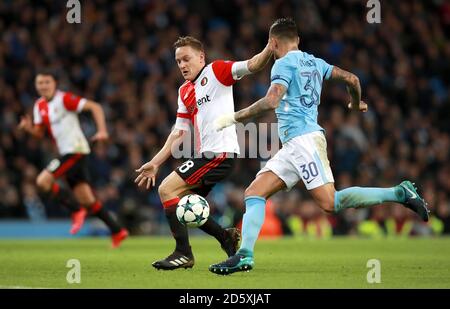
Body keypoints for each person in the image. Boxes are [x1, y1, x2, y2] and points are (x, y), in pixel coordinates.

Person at [209, 18, 430, 274]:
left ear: (273, 43)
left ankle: (400, 193)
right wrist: (356, 103)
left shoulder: (282, 63)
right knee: (254, 192)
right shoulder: (316, 62)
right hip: (293, 145)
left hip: (304, 141)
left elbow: (271, 101)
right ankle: (244, 255)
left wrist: (234, 118)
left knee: (330, 203)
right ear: (298, 41)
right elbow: (352, 78)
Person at [135, 36, 273, 270]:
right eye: (178, 61)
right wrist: (156, 162)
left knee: (166, 189)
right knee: (183, 204)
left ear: (201, 57)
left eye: (186, 59)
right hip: (206, 155)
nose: (182, 65)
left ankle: (183, 253)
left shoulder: (218, 71)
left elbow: (253, 64)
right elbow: (178, 132)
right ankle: (225, 237)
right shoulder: (184, 91)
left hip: (220, 153)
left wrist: (270, 46)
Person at [18, 70, 128, 248]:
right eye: (40, 83)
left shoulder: (65, 99)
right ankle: (117, 231)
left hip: (76, 151)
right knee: (88, 200)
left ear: (54, 84)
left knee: (42, 181)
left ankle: (76, 211)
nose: (43, 86)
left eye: (47, 82)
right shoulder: (39, 106)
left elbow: (95, 107)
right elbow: (39, 133)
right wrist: (28, 128)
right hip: (67, 153)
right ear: (36, 86)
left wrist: (102, 130)